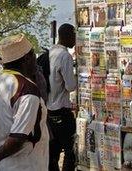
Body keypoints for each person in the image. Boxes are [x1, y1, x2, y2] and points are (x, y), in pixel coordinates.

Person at [0, 33, 49, 171]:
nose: (36, 59)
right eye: (33, 55)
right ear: (27, 58)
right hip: (25, 165)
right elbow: (19, 136)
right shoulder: (26, 88)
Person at [47, 23, 77, 171]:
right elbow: (70, 86)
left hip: (49, 113)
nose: (75, 39)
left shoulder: (50, 52)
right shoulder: (65, 56)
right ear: (66, 36)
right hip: (62, 113)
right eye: (74, 36)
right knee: (71, 152)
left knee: (53, 154)